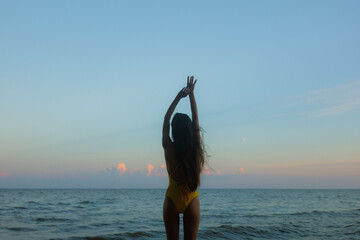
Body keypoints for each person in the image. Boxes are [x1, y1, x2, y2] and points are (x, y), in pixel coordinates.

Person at [162, 76, 205, 240]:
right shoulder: (195, 148)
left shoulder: (168, 147)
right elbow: (195, 119)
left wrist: (179, 97)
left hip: (172, 199)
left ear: (174, 130)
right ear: (189, 130)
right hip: (192, 201)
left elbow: (166, 118)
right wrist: (192, 95)